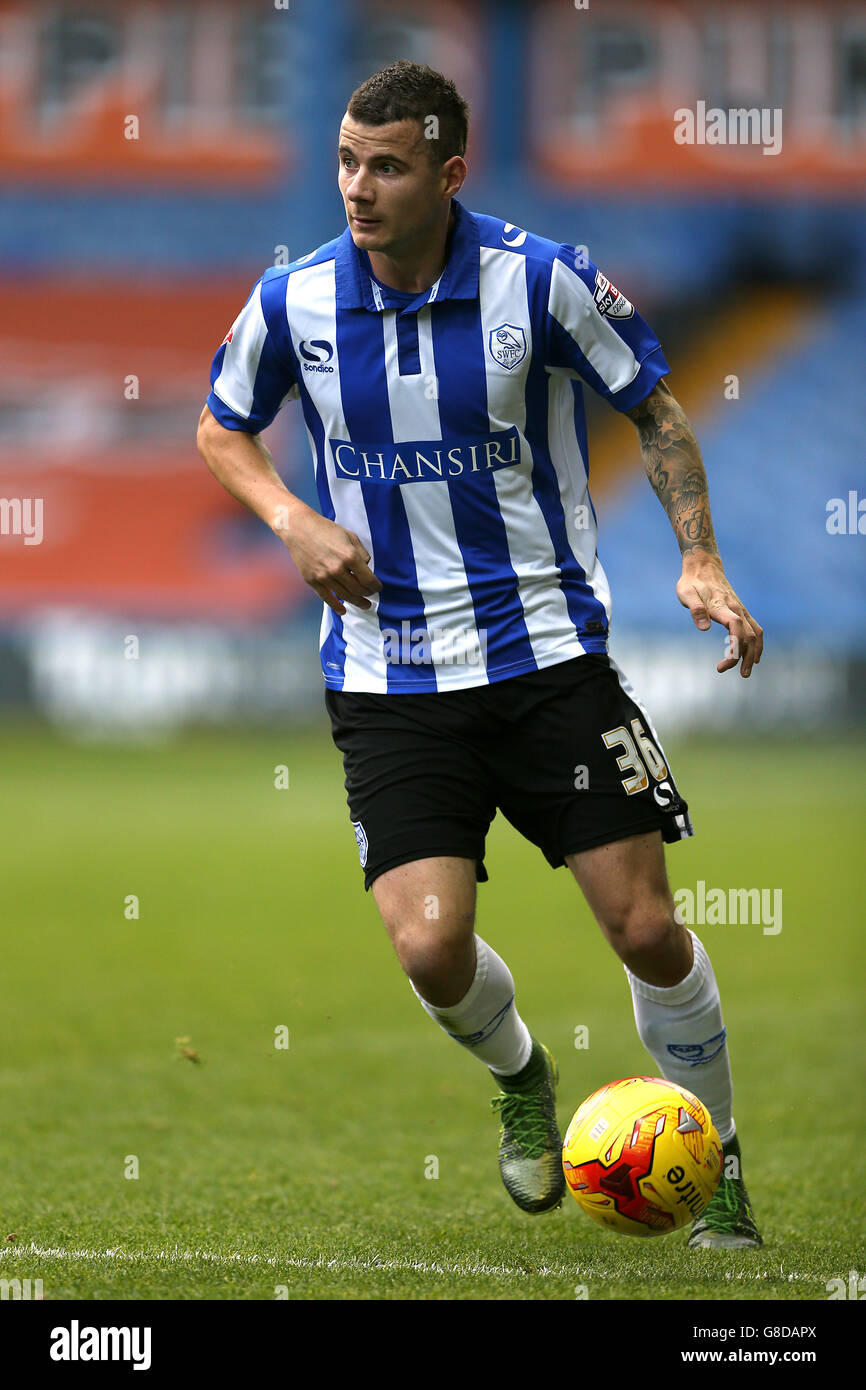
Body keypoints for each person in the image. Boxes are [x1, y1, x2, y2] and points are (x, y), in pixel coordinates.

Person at [197, 60, 764, 1247]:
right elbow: (220, 426)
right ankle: (521, 1078)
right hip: (386, 675)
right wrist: (292, 520)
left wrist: (698, 557)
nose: (356, 186)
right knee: (428, 940)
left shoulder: (542, 280)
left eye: (386, 165)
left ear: (448, 174)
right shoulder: (293, 300)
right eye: (346, 161)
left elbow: (652, 408)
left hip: (546, 657)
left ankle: (713, 1161)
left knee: (646, 928)